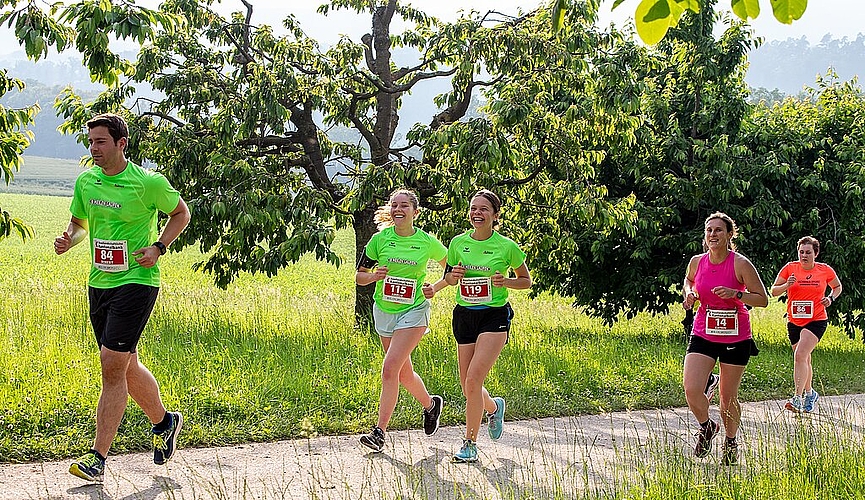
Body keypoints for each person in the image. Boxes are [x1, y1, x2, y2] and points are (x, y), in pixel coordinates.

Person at [54, 113, 191, 482]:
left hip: (137, 279)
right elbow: (80, 224)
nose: (93, 148)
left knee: (110, 366)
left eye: (100, 142)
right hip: (99, 282)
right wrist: (70, 239)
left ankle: (97, 458)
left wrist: (159, 247)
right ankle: (165, 422)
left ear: (120, 144)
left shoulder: (147, 183)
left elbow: (181, 213)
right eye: (91, 141)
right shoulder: (87, 181)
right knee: (125, 365)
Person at [355, 188, 448, 453]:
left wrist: (436, 287)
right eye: (394, 205)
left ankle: (379, 432)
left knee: (389, 367)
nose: (398, 209)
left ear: (415, 212)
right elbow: (359, 276)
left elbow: (452, 267)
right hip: (384, 310)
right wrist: (373, 277)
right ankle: (431, 405)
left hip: (415, 310)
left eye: (404, 205)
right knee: (403, 373)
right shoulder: (379, 240)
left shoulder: (426, 241)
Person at [444, 189, 531, 463]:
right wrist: (453, 275)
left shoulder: (506, 246)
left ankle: (469, 443)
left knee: (473, 379)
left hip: (494, 316)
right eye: (473, 208)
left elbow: (525, 281)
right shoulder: (458, 242)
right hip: (464, 314)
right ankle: (494, 407)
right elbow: (448, 277)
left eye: (483, 209)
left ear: (495, 215)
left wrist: (505, 282)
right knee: (467, 385)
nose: (477, 213)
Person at [682, 212, 767, 466]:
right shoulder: (697, 261)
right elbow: (688, 281)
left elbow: (762, 299)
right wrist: (690, 293)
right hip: (704, 331)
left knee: (727, 397)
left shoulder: (740, 264)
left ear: (730, 235)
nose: (713, 235)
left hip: (735, 335)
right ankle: (707, 428)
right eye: (709, 230)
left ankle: (731, 441)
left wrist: (736, 294)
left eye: (719, 230)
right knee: (691, 388)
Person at [770, 236, 842, 413]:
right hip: (794, 321)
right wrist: (787, 284)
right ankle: (810, 393)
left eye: (808, 252)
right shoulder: (790, 268)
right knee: (805, 359)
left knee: (800, 355)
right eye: (801, 252)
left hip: (816, 319)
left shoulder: (824, 270)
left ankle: (797, 398)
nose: (804, 255)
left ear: (815, 253)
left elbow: (837, 287)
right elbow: (773, 291)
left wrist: (830, 298)